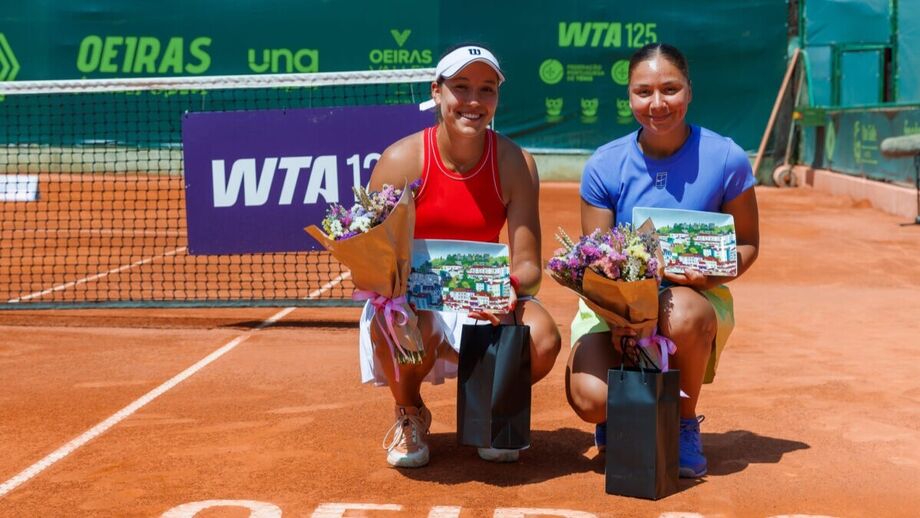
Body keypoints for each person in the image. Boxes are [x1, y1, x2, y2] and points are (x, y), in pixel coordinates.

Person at [359, 44, 562, 468]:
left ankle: (490, 408)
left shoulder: (516, 163)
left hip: (482, 302)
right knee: (396, 320)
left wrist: (508, 289)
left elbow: (528, 265)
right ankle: (410, 412)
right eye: (462, 87)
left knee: (542, 337)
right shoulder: (400, 160)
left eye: (487, 89)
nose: (474, 100)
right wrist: (394, 291)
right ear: (437, 92)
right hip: (415, 306)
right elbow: (372, 260)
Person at [564, 43, 759, 478]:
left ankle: (683, 422)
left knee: (684, 313)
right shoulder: (604, 164)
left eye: (670, 89)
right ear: (629, 96)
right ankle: (620, 414)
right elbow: (594, 260)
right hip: (613, 305)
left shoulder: (727, 157)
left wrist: (710, 275)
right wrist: (621, 315)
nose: (657, 104)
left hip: (691, 296)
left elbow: (747, 243)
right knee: (591, 399)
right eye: (643, 92)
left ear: (689, 90)